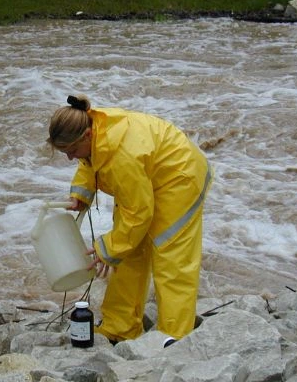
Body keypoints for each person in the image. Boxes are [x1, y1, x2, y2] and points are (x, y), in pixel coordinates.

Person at [46, 94, 211, 346]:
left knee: (172, 257)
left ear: (86, 136)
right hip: (145, 177)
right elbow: (90, 160)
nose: (70, 158)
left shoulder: (122, 157)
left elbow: (138, 214)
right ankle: (120, 325)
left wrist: (108, 247)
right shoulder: (91, 125)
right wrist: (82, 191)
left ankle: (175, 335)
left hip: (180, 175)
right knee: (128, 254)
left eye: (71, 151)